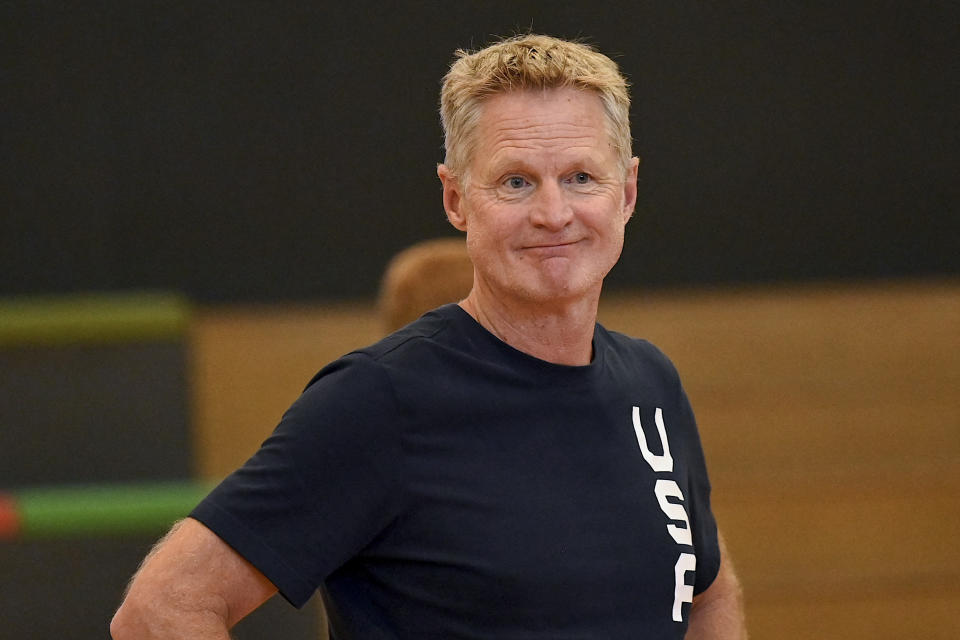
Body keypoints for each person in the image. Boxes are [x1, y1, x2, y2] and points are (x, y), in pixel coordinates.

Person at [111, 34, 746, 639]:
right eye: (516, 181)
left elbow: (708, 589)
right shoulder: (379, 399)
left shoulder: (650, 382)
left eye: (581, 177)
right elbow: (160, 610)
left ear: (627, 191)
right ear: (456, 199)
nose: (554, 213)